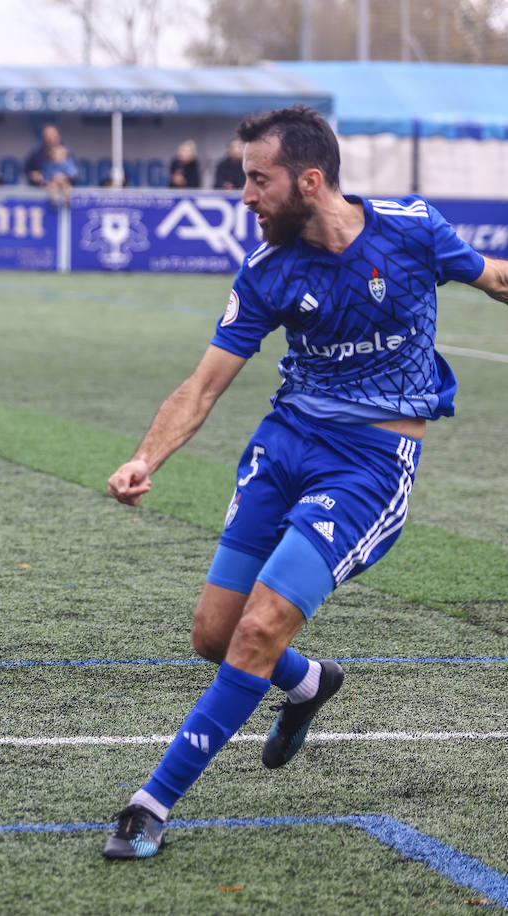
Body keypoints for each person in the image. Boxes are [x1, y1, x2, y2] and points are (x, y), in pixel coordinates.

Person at [101, 105, 508, 860]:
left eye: (258, 180)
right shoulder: (267, 269)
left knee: (259, 629)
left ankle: (150, 803)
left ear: (310, 181)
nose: (244, 196)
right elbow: (203, 386)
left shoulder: (412, 230)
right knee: (216, 638)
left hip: (367, 466)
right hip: (283, 449)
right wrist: (144, 458)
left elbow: (494, 278)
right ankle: (309, 683)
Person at [24, 124, 76, 189]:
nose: (50, 139)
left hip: (62, 188)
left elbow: (74, 172)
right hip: (40, 189)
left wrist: (65, 177)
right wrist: (33, 174)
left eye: (53, 136)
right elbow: (27, 168)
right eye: (47, 137)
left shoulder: (67, 152)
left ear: (58, 136)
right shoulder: (37, 152)